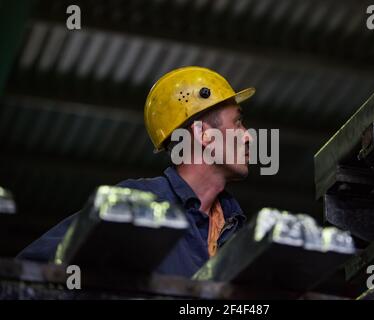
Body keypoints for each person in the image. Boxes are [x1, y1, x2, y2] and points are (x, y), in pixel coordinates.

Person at [16, 66, 256, 278]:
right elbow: (24, 274)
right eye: (237, 123)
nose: (247, 136)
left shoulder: (235, 231)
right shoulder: (133, 206)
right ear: (204, 134)